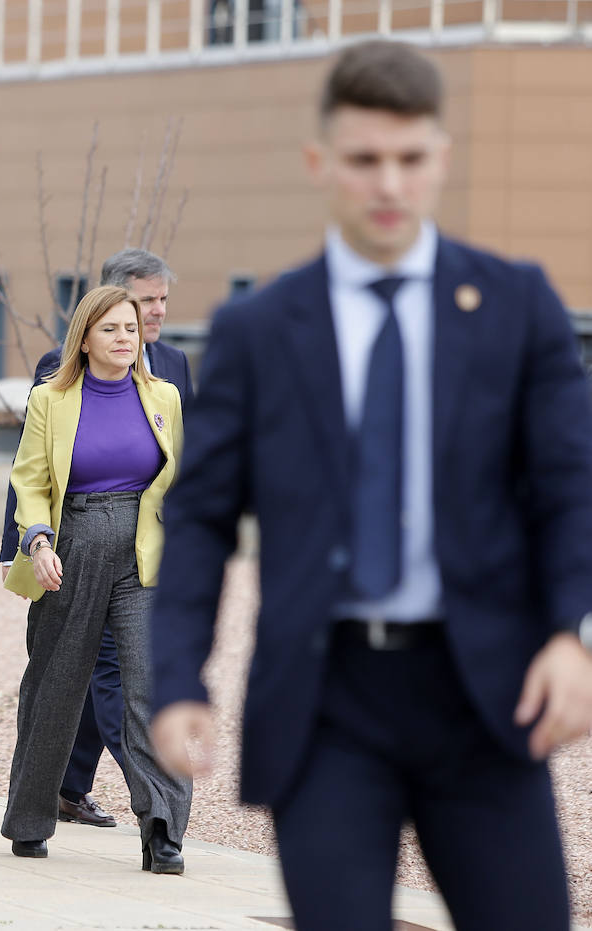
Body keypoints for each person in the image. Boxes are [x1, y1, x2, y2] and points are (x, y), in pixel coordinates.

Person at [149, 41, 592, 930]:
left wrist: (568, 634)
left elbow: (568, 486)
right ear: (321, 164)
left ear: (441, 160)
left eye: (409, 158)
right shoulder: (260, 330)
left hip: (482, 695)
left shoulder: (516, 307)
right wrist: (178, 679)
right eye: (364, 160)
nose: (388, 183)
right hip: (328, 702)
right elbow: (197, 518)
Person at [0, 247, 192, 830]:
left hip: (143, 554)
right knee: (54, 690)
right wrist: (35, 541)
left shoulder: (165, 395)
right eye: (112, 329)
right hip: (70, 545)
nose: (127, 337)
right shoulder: (50, 396)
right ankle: (31, 821)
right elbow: (30, 479)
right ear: (84, 337)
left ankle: (161, 826)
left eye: (132, 328)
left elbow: (180, 475)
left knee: (147, 687)